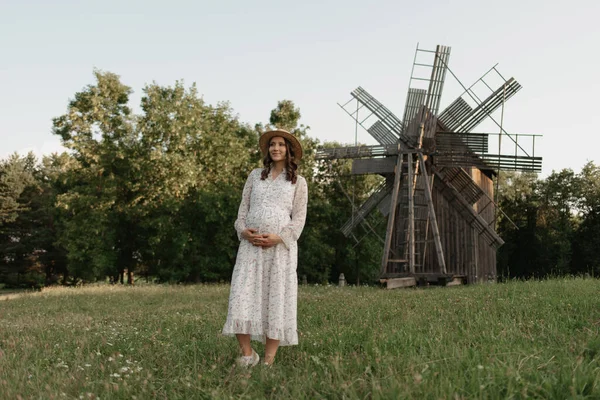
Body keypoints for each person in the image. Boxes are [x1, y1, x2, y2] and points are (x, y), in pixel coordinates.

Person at [222, 128, 308, 367]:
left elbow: (299, 219)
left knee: (276, 301)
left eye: (281, 144)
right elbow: (241, 212)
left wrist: (278, 237)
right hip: (250, 248)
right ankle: (248, 355)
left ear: (289, 150)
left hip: (279, 251)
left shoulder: (298, 182)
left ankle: (268, 361)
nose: (276, 148)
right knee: (240, 297)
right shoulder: (254, 176)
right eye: (272, 144)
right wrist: (243, 231)